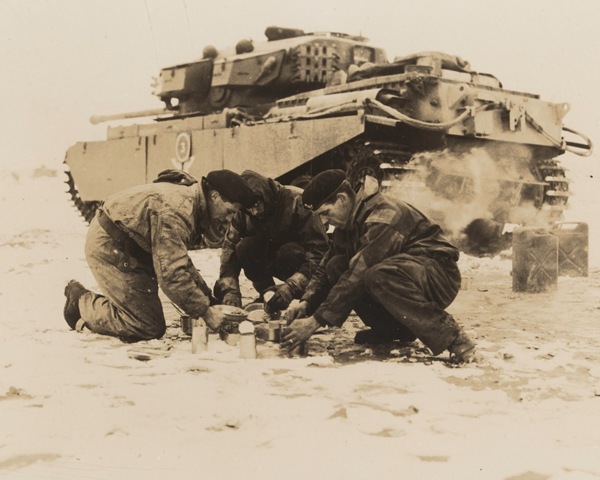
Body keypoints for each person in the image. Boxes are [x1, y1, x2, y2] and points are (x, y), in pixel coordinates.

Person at [282, 169, 478, 363]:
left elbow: (359, 273)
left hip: (438, 274)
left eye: (325, 213)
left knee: (377, 275)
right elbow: (325, 267)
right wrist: (306, 302)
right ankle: (395, 330)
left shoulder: (383, 214)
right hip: (406, 272)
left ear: (342, 199)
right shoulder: (348, 222)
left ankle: (455, 339)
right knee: (336, 265)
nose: (324, 222)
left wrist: (315, 322)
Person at [63, 169, 255, 342]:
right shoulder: (179, 211)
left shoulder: (191, 202)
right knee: (146, 326)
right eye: (229, 212)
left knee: (149, 317)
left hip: (132, 247)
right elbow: (171, 275)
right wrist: (205, 312)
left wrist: (209, 301)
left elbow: (180, 262)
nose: (229, 219)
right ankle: (80, 302)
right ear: (214, 196)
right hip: (111, 245)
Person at [214, 170, 329, 313]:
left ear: (266, 195)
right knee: (244, 247)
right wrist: (230, 290)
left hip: (297, 263)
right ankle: (267, 295)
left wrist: (292, 287)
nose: (255, 212)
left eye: (257, 204)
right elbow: (229, 249)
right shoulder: (243, 212)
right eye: (250, 207)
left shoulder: (297, 200)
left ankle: (306, 298)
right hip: (271, 259)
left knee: (289, 252)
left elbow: (319, 251)